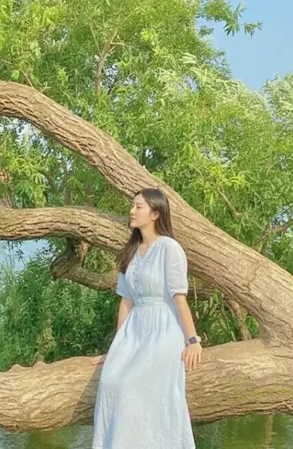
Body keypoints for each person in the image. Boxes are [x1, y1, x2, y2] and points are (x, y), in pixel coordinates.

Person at [91, 188, 202, 449]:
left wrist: (193, 340)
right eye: (132, 205)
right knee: (109, 382)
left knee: (130, 386)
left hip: (163, 329)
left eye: (138, 206)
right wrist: (117, 349)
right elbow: (126, 301)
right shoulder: (131, 251)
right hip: (134, 330)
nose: (131, 211)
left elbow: (179, 297)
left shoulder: (169, 248)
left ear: (155, 213)